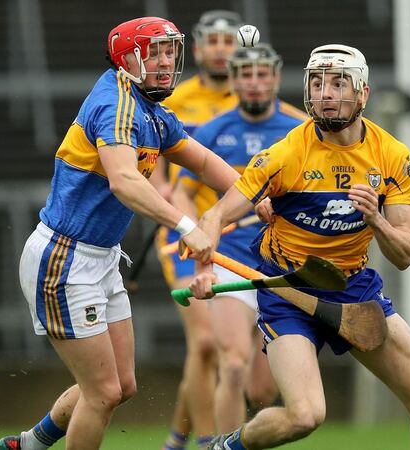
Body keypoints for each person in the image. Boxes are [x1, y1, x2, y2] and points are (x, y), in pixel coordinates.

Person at [189, 44, 410, 450]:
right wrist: (204, 265)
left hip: (353, 288)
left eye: (338, 83)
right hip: (288, 291)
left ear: (363, 93)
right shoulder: (285, 155)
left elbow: (405, 254)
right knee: (305, 416)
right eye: (317, 83)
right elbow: (215, 217)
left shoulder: (392, 156)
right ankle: (225, 446)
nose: (326, 93)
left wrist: (377, 220)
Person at [0, 16, 240, 450]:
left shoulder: (151, 110)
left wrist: (256, 197)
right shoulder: (116, 105)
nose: (166, 62)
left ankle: (28, 445)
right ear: (127, 60)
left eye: (170, 52)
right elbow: (124, 181)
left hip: (101, 257)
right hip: (65, 259)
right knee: (103, 392)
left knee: (121, 385)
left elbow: (203, 162)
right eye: (154, 53)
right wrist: (187, 226)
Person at [174, 43, 308, 434]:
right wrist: (194, 233)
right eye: (245, 75)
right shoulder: (214, 130)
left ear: (276, 78)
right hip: (231, 259)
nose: (254, 83)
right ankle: (219, 444)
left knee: (263, 390)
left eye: (262, 74)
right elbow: (183, 191)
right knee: (232, 363)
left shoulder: (300, 130)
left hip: (279, 264)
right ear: (233, 80)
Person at [152, 10, 244, 450]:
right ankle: (209, 441)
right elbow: (152, 158)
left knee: (224, 351)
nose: (221, 50)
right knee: (205, 342)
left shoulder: (248, 100)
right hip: (183, 231)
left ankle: (176, 439)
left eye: (229, 42)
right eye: (213, 42)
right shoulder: (176, 98)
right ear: (199, 47)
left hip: (238, 235)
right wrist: (161, 196)